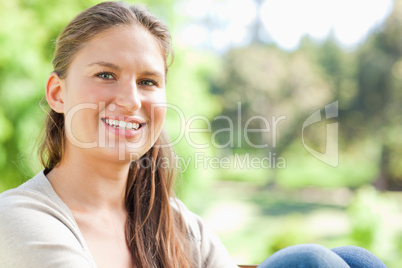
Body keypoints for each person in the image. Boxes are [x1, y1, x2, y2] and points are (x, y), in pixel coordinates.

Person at [0, 1, 388, 268]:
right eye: (106, 75)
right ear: (57, 93)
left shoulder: (172, 222)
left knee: (357, 260)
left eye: (148, 81)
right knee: (314, 262)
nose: (131, 100)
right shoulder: (19, 218)